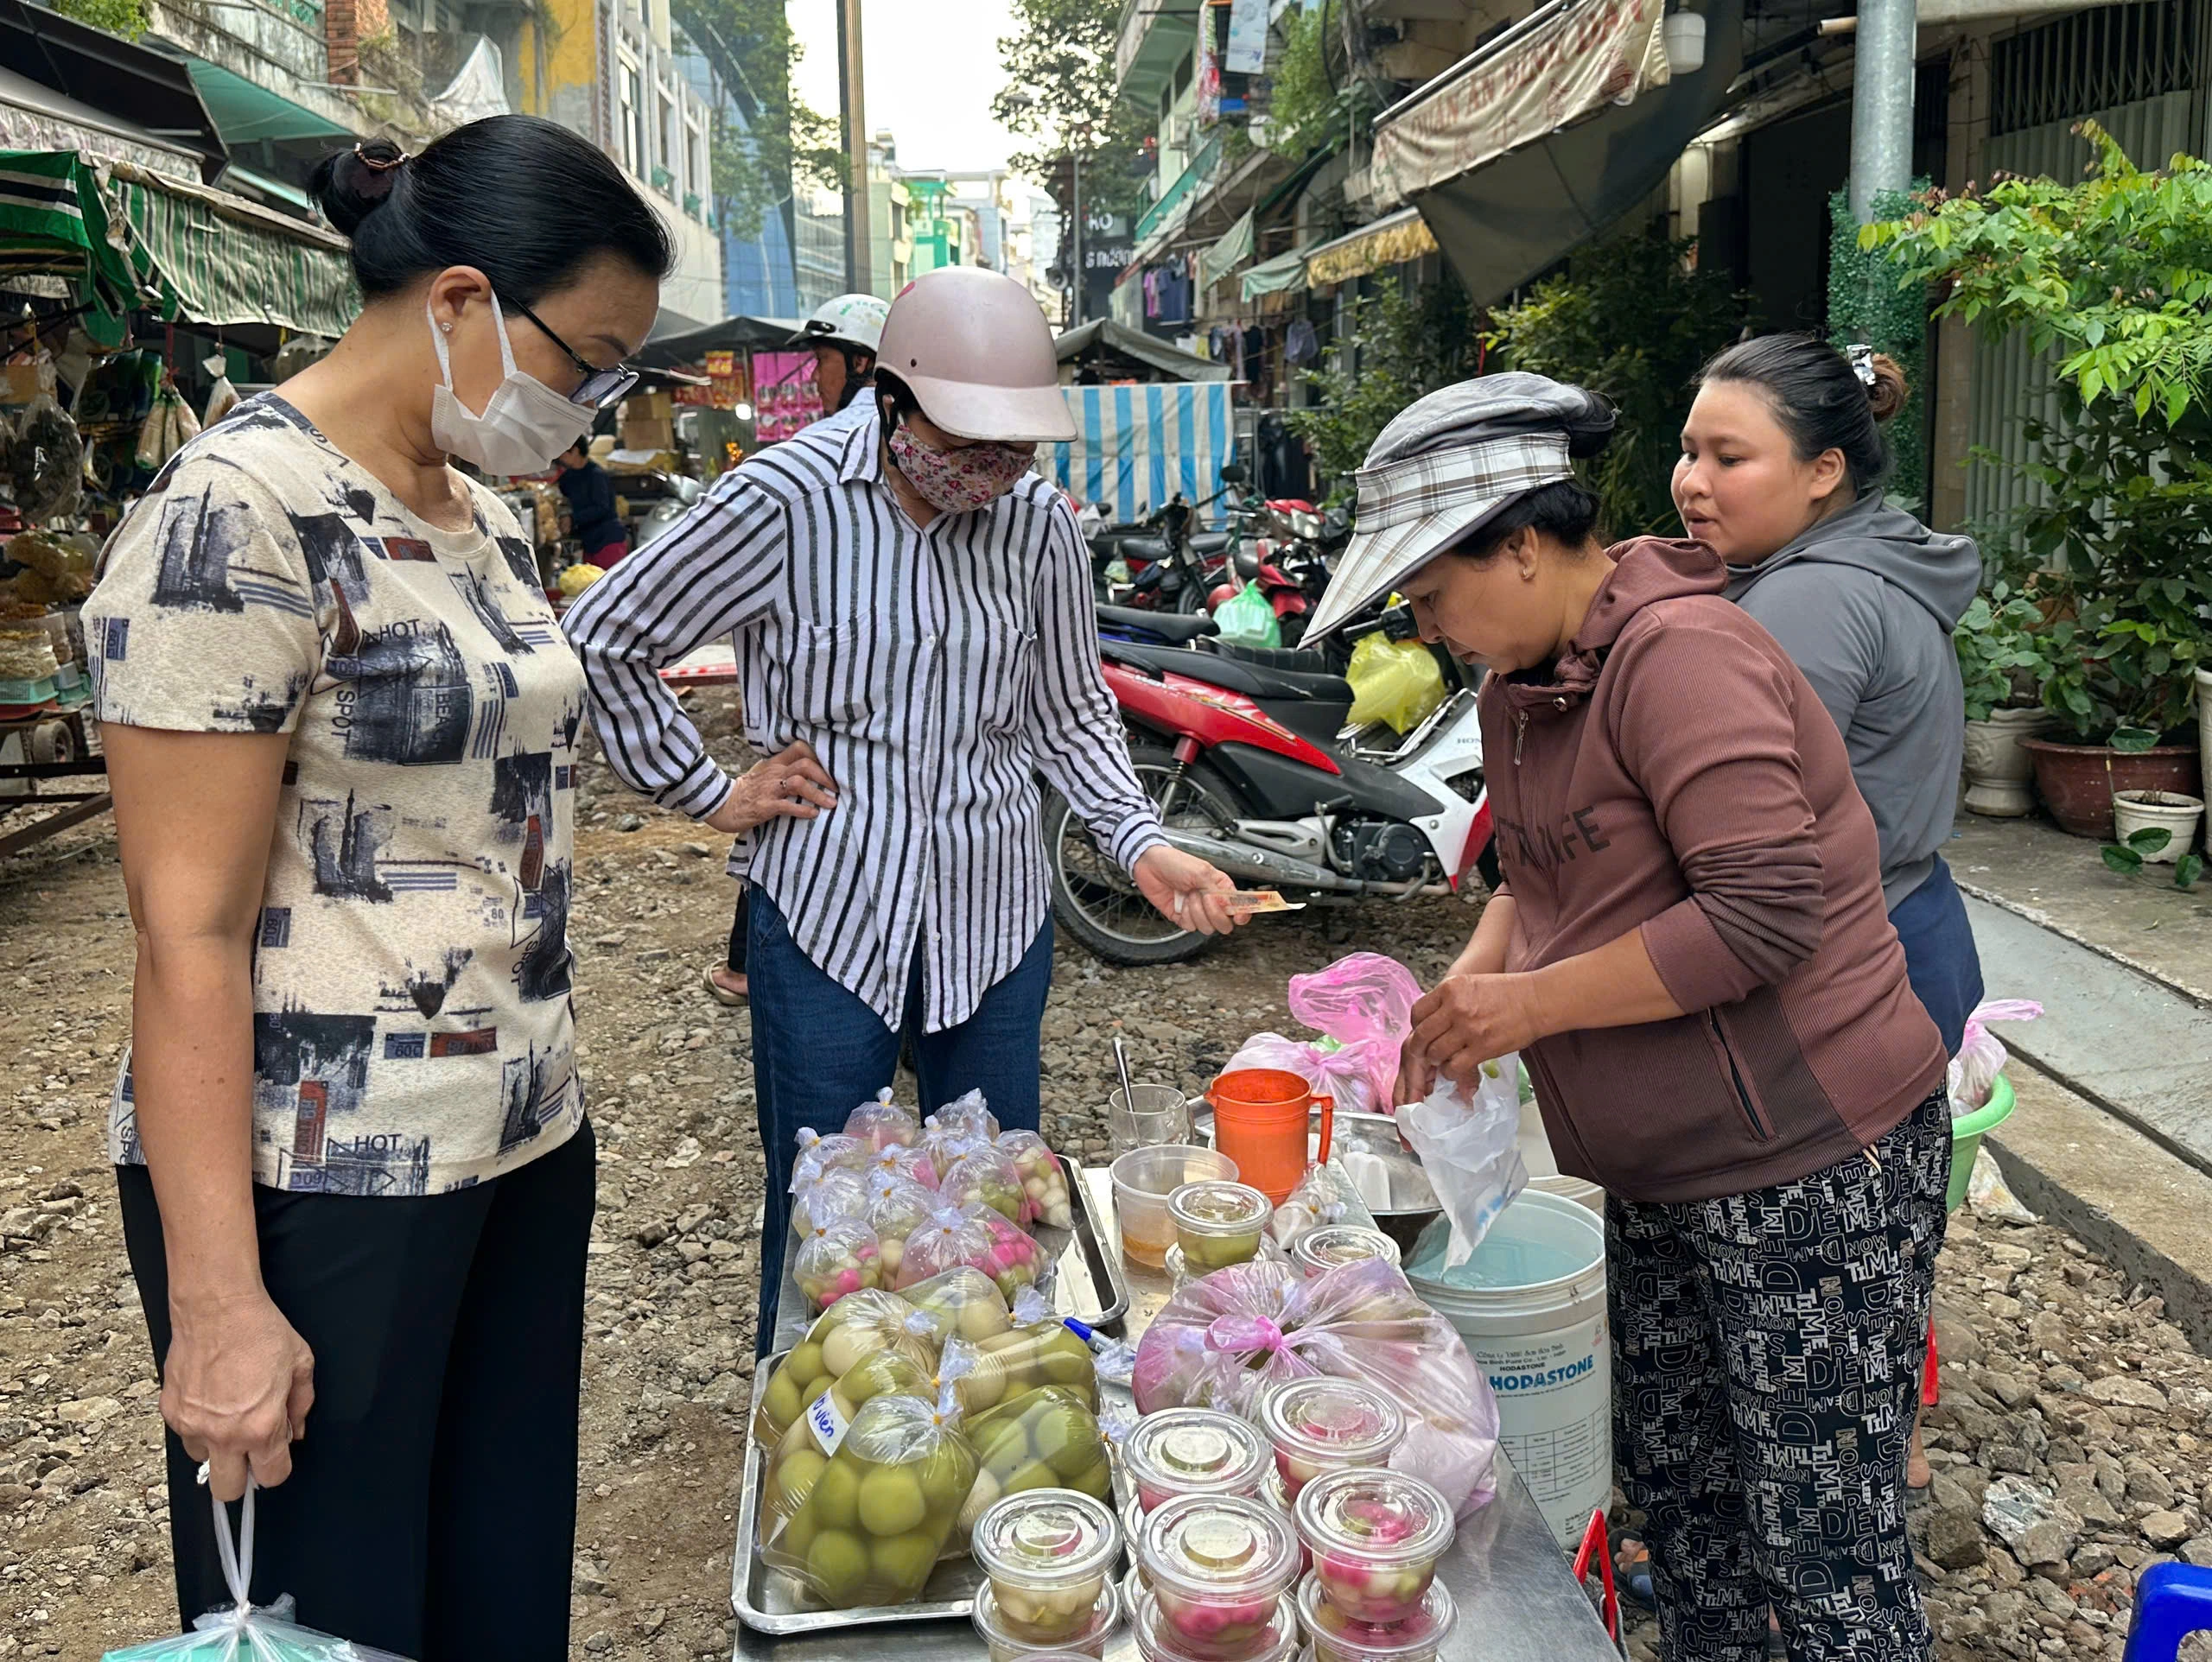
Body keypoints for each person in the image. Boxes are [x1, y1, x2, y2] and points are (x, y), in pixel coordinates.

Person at [80, 117, 670, 1656]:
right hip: (324, 1177)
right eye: (589, 360)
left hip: (519, 1131)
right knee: (338, 1607)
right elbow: (184, 930)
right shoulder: (234, 518)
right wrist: (217, 1300)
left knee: (495, 1574)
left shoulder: (474, 508)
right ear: (464, 299)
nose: (592, 409)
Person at [1312, 374, 1951, 1662]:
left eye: (1435, 592)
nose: (1428, 625)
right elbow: (1537, 882)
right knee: (1690, 1507)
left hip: (1809, 1167)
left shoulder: (1683, 655)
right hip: (1662, 1173)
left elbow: (1763, 915)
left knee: (1821, 1540)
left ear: (1528, 542)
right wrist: (1461, 1001)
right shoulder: (1522, 685)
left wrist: (1527, 1005)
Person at [564, 265, 1243, 1348]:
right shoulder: (782, 501)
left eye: (1013, 448)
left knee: (999, 1205)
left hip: (993, 916)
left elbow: (1068, 709)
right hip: (830, 913)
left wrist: (1137, 837)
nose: (991, 469)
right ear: (889, 399)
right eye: (967, 441)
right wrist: (708, 792)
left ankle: (987, 1415)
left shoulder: (1038, 529)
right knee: (832, 1219)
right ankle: (819, 1432)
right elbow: (608, 635)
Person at [1677, 332, 1984, 1499]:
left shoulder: (1803, 600)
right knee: (1877, 1236)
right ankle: (1876, 1440)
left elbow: (1747, 844)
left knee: (1808, 1264)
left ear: (1823, 474)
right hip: (1920, 925)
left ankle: (1819, 1513)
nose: (1693, 481)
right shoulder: (1878, 562)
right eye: (1689, 450)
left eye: (1729, 456)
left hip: (1854, 956)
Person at [701, 291, 895, 1011]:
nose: (814, 380)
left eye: (821, 362)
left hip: (810, 785)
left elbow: (611, 632)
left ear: (863, 364)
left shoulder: (787, 477)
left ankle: (751, 974)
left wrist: (712, 795)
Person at [556, 434, 628, 567]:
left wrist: (573, 519)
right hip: (589, 542)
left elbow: (601, 508)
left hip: (607, 541)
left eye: (563, 452)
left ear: (575, 451)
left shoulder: (596, 475)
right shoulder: (568, 477)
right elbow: (558, 495)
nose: (560, 457)